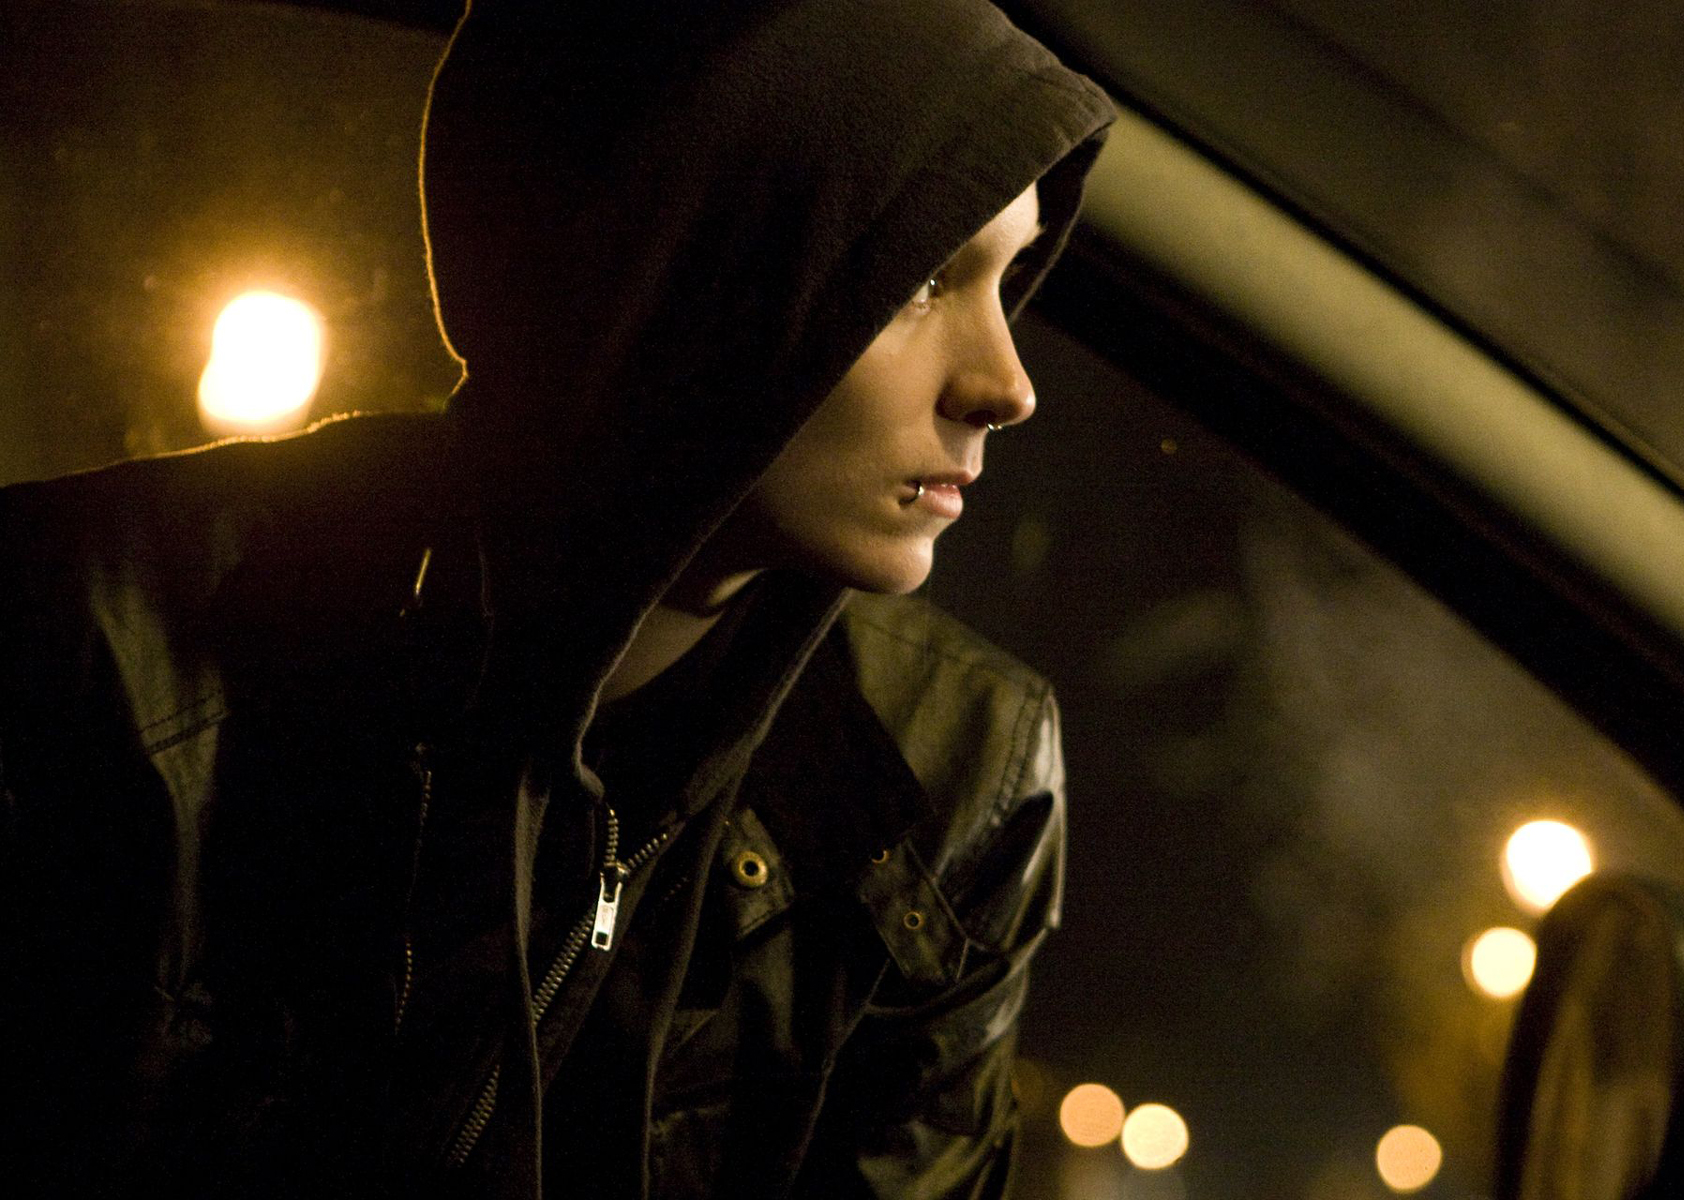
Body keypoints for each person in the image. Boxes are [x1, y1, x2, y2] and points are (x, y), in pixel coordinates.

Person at [0, 1, 1113, 1196]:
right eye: (925, 277)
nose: (1007, 385)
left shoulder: (957, 777)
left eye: (1009, 278)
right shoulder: (87, 643)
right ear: (686, 267)